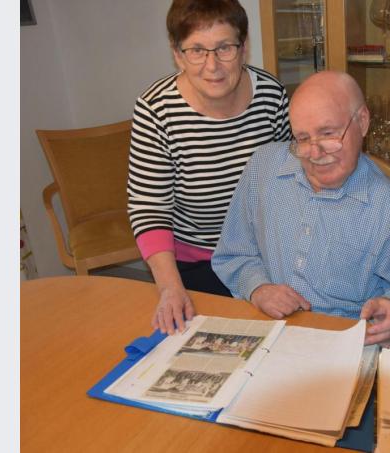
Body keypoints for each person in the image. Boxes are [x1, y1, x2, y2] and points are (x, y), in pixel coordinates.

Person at [211, 71, 390, 346]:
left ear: (362, 122)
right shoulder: (263, 167)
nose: (315, 154)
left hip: (342, 347)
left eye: (328, 134)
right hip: (266, 337)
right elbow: (232, 253)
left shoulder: (388, 206)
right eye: (303, 139)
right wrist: (258, 288)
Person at [127, 0, 291, 335]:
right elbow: (149, 210)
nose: (212, 65)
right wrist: (171, 289)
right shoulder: (156, 110)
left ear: (244, 47)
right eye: (197, 50)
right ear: (177, 53)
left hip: (266, 256)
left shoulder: (271, 96)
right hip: (195, 265)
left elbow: (293, 178)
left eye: (224, 48)